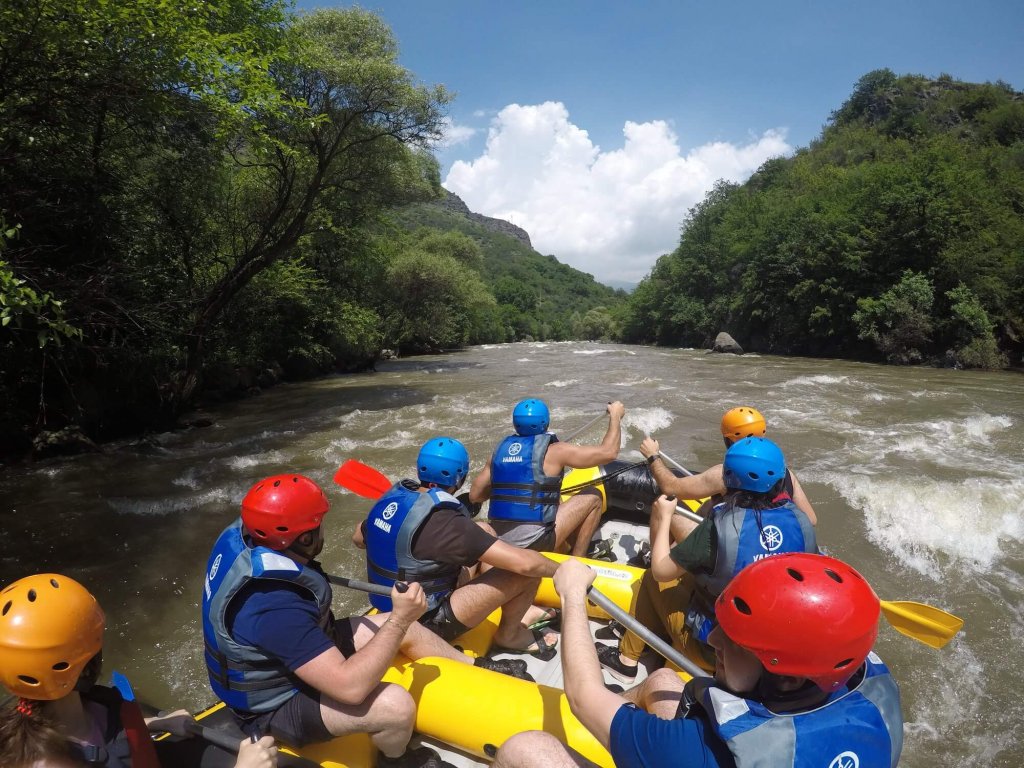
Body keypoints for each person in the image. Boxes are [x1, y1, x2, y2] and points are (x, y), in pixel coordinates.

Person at [202, 473, 525, 768]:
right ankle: (397, 759)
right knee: (395, 705)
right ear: (302, 540)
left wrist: (402, 622)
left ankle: (474, 666)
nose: (322, 529)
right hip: (273, 702)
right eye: (318, 524)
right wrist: (398, 619)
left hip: (281, 654)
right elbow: (351, 690)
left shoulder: (244, 535)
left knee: (409, 628)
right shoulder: (274, 605)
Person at [493, 554, 903, 768]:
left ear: (789, 679)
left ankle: (620, 722)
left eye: (737, 642)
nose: (712, 639)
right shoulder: (867, 695)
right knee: (664, 681)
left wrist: (571, 593)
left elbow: (582, 695)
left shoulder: (695, 754)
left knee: (525, 749)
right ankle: (624, 711)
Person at [0, 572, 278, 768]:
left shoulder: (84, 709)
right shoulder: (48, 761)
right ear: (80, 666)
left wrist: (157, 724)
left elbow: (102, 737)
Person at [598, 437, 817, 682]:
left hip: (717, 652)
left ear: (727, 480)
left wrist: (664, 517)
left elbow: (661, 571)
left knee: (651, 578)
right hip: (773, 653)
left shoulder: (719, 528)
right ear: (780, 481)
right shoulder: (802, 523)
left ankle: (625, 662)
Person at [354, 437, 562, 659]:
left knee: (484, 529)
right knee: (524, 573)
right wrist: (563, 569)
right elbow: (526, 564)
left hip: (393, 603)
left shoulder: (392, 500)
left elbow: (358, 537)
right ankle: (510, 635)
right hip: (425, 621)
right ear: (460, 479)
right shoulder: (448, 524)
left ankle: (513, 605)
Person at [469, 399, 627, 559]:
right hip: (534, 541)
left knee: (556, 499)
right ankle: (577, 561)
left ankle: (567, 547)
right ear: (545, 422)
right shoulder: (556, 451)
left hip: (500, 541)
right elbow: (609, 453)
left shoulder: (497, 454)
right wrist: (615, 415)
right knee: (594, 496)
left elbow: (474, 496)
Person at [641, 406, 817, 535]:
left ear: (728, 440)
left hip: (737, 543)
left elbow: (671, 487)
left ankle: (654, 557)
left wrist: (653, 456)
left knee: (665, 503)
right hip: (773, 539)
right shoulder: (784, 472)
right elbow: (811, 520)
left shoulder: (723, 474)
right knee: (710, 504)